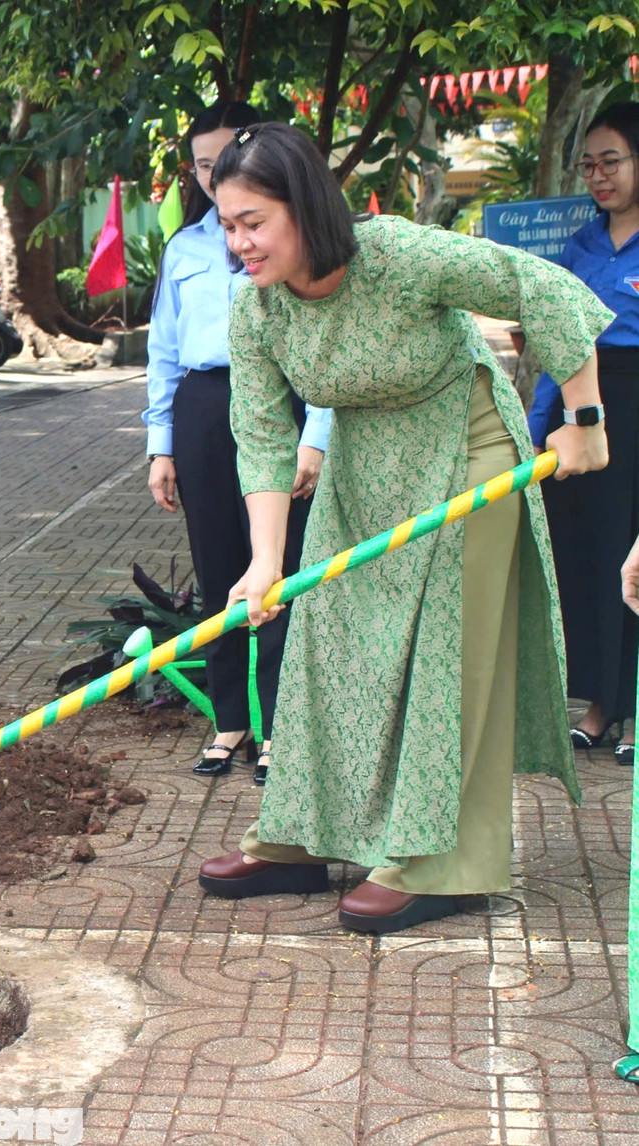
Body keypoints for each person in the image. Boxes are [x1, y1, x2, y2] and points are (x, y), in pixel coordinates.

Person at [195, 123, 612, 934]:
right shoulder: (259, 311)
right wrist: (265, 563)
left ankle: (443, 863)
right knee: (325, 638)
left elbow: (545, 289)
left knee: (448, 655)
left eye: (254, 222)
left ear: (304, 209)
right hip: (362, 464)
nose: (239, 242)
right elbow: (265, 436)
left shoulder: (396, 255)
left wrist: (585, 417)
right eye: (228, 224)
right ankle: (299, 836)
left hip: (467, 443)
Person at [144, 100, 331, 784]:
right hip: (201, 404)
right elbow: (162, 349)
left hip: (285, 397)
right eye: (202, 164)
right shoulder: (185, 248)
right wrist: (161, 445)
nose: (213, 174)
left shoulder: (293, 249)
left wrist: (315, 435)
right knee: (219, 564)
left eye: (226, 160)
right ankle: (230, 719)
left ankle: (283, 723)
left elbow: (326, 354)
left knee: (281, 564)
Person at [526, 102, 639, 767]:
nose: (599, 176)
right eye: (589, 164)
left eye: (613, 161)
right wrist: (541, 429)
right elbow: (559, 348)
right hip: (586, 416)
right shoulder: (580, 245)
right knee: (592, 560)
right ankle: (599, 705)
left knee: (635, 562)